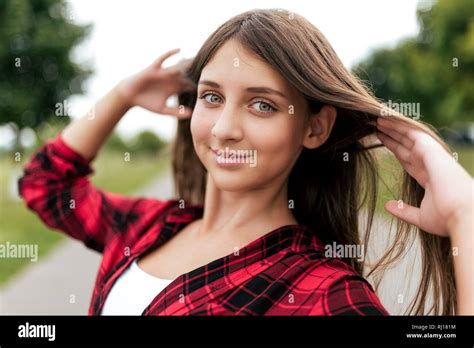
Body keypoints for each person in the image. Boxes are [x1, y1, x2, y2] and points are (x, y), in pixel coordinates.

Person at [18, 9, 473, 315]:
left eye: (262, 106)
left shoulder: (322, 292)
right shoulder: (148, 227)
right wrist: (123, 96)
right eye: (211, 97)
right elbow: (44, 185)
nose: (223, 128)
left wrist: (465, 214)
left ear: (314, 128)